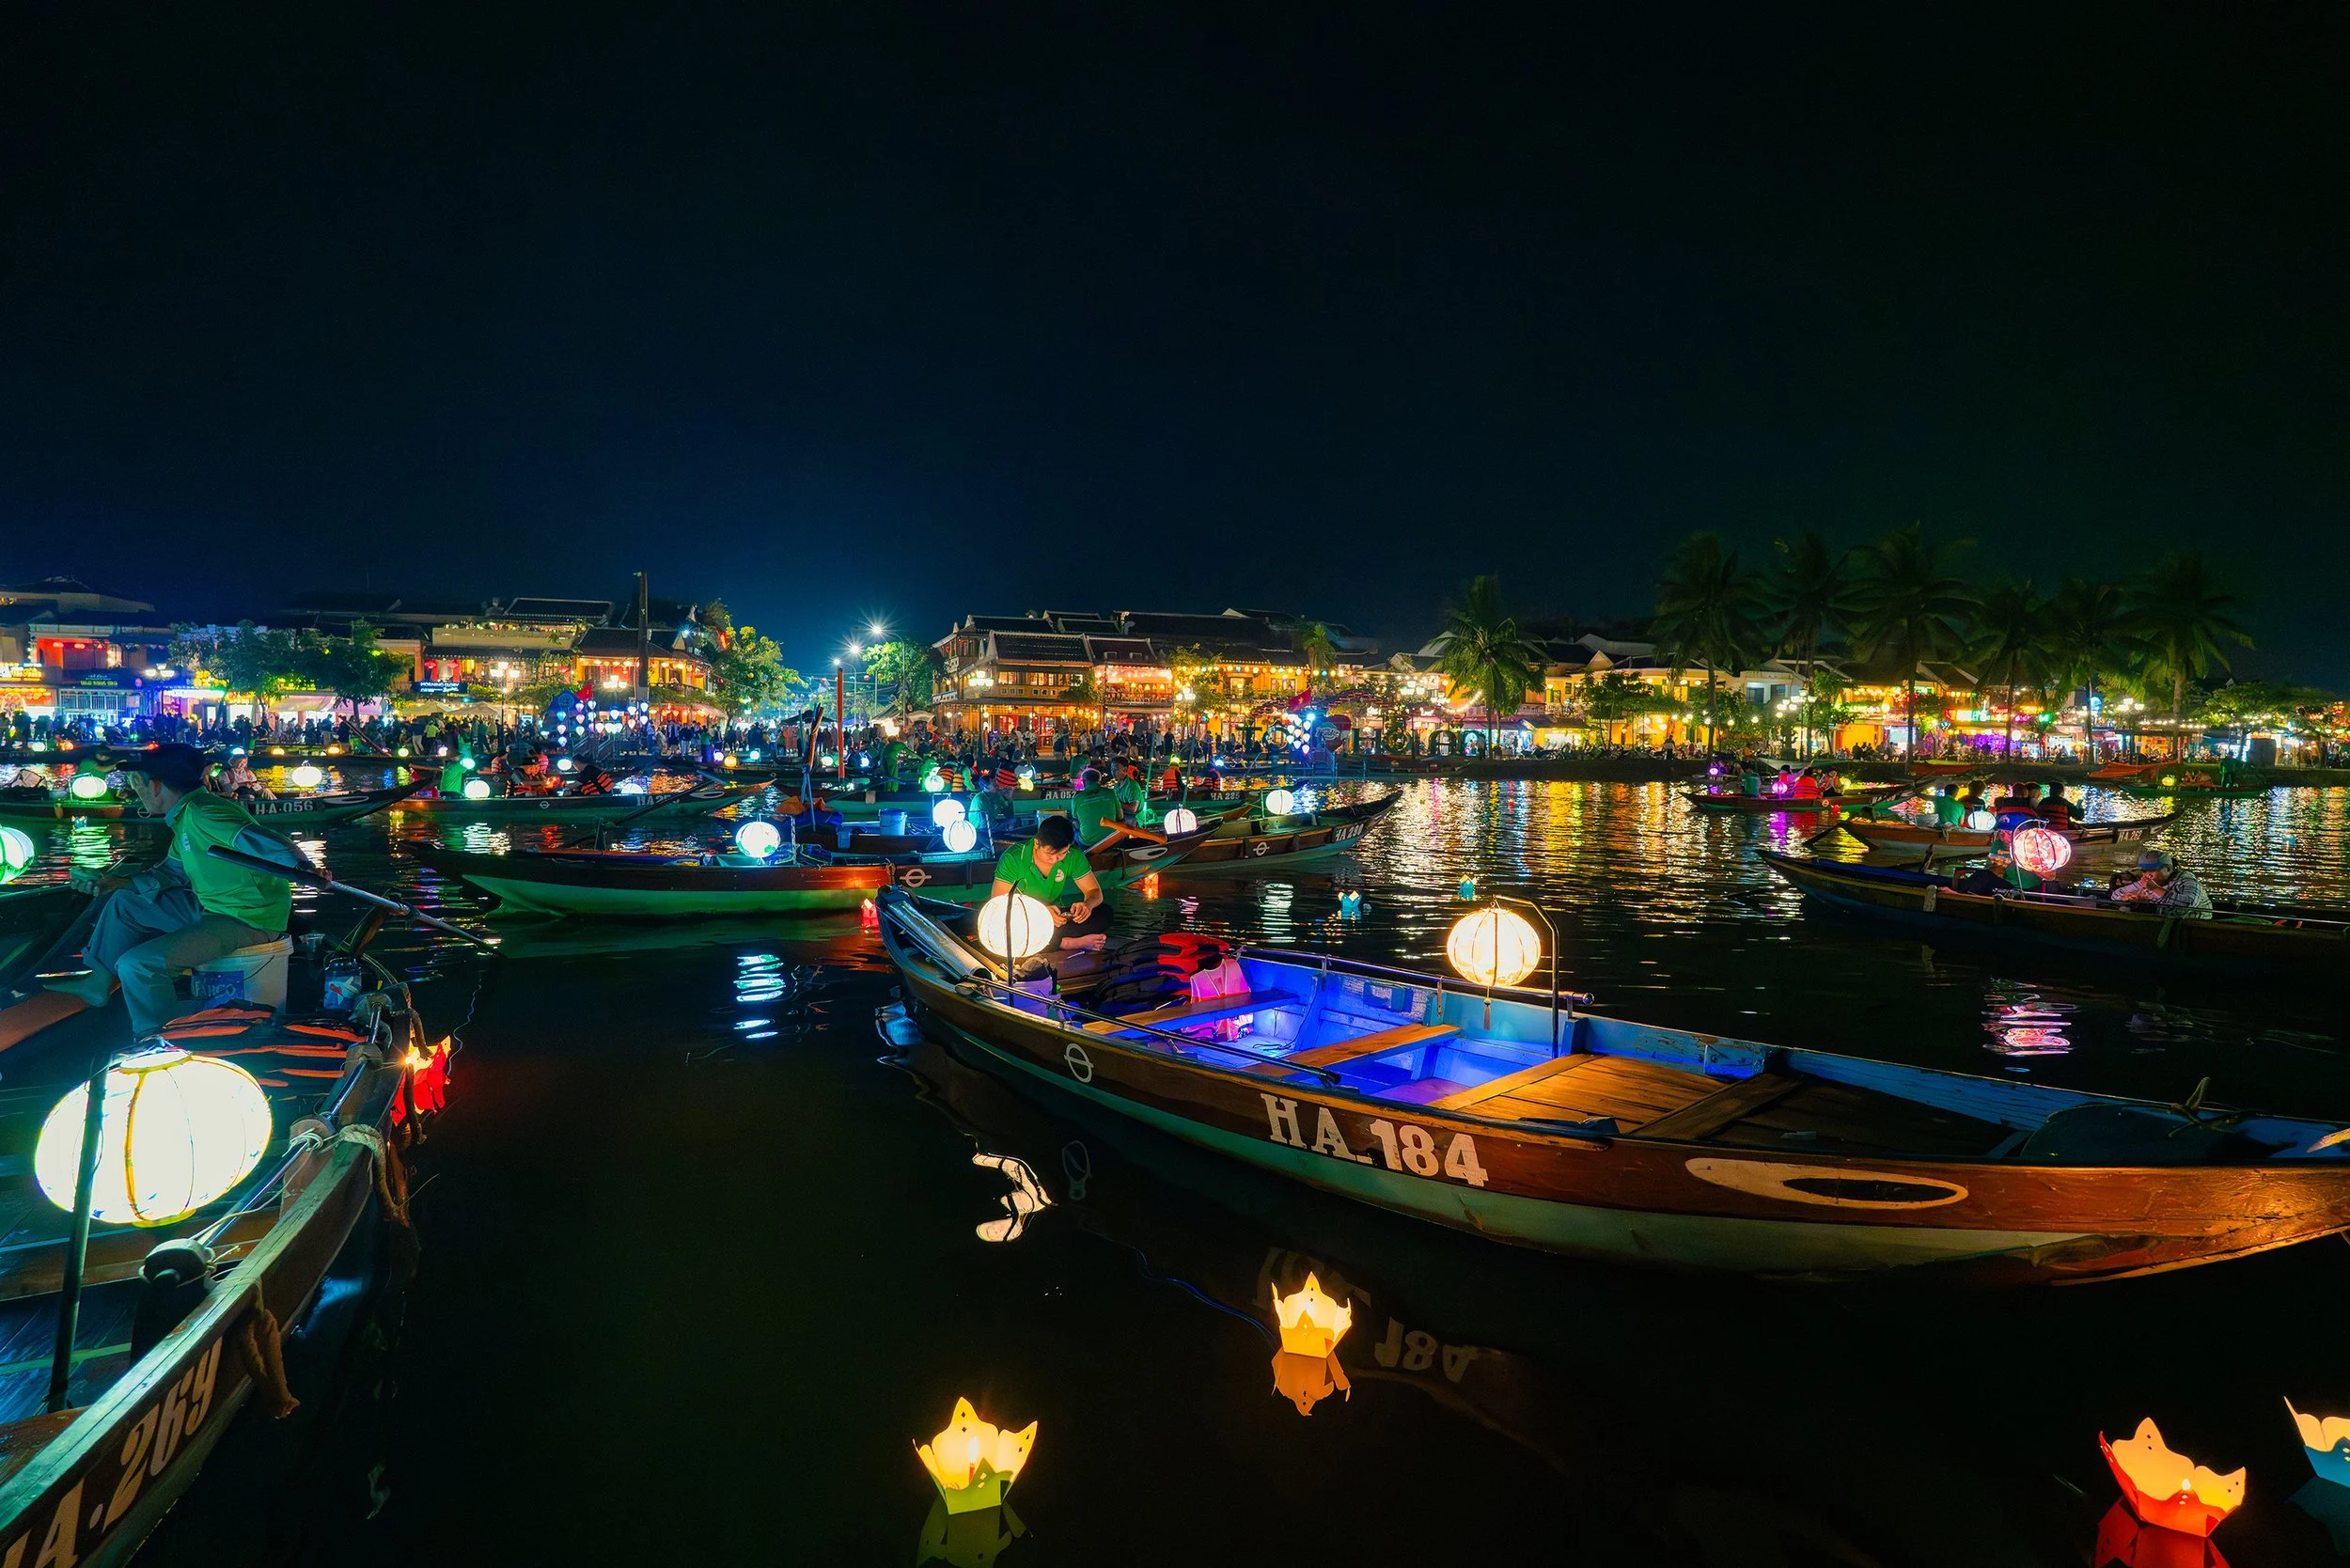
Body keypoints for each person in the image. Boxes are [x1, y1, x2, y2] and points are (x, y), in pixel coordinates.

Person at [45, 744, 310, 1036]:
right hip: (213, 905)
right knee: (124, 901)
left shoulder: (204, 813)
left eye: (138, 783)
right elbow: (170, 872)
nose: (136, 792)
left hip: (247, 918)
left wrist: (304, 867)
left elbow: (268, 843)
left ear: (155, 786)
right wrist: (114, 882)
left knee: (137, 965)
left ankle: (159, 1041)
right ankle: (99, 982)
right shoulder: (187, 815)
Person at [989, 815, 1104, 937]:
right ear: (1037, 843)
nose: (1055, 859)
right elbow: (998, 904)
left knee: (1104, 914)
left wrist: (1087, 906)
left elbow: (1094, 891)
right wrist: (1041, 912)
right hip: (1024, 916)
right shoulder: (1013, 858)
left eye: (1062, 853)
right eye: (1049, 854)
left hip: (1056, 915)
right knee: (1008, 930)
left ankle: (1058, 941)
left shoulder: (1073, 855)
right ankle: (1065, 942)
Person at [2109, 849, 2212, 917]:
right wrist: (2126, 898)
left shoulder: (2187, 881)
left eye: (2152, 870)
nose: (2147, 875)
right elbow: (2116, 894)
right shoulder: (2147, 881)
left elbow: (2187, 903)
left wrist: (2155, 889)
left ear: (2168, 869)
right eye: (2144, 871)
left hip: (2191, 925)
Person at [1070, 768, 1126, 847]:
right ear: (1099, 781)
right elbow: (1120, 817)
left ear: (1084, 782)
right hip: (1113, 840)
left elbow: (1076, 823)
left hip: (1088, 844)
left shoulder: (1077, 799)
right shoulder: (1110, 793)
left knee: (1075, 833)